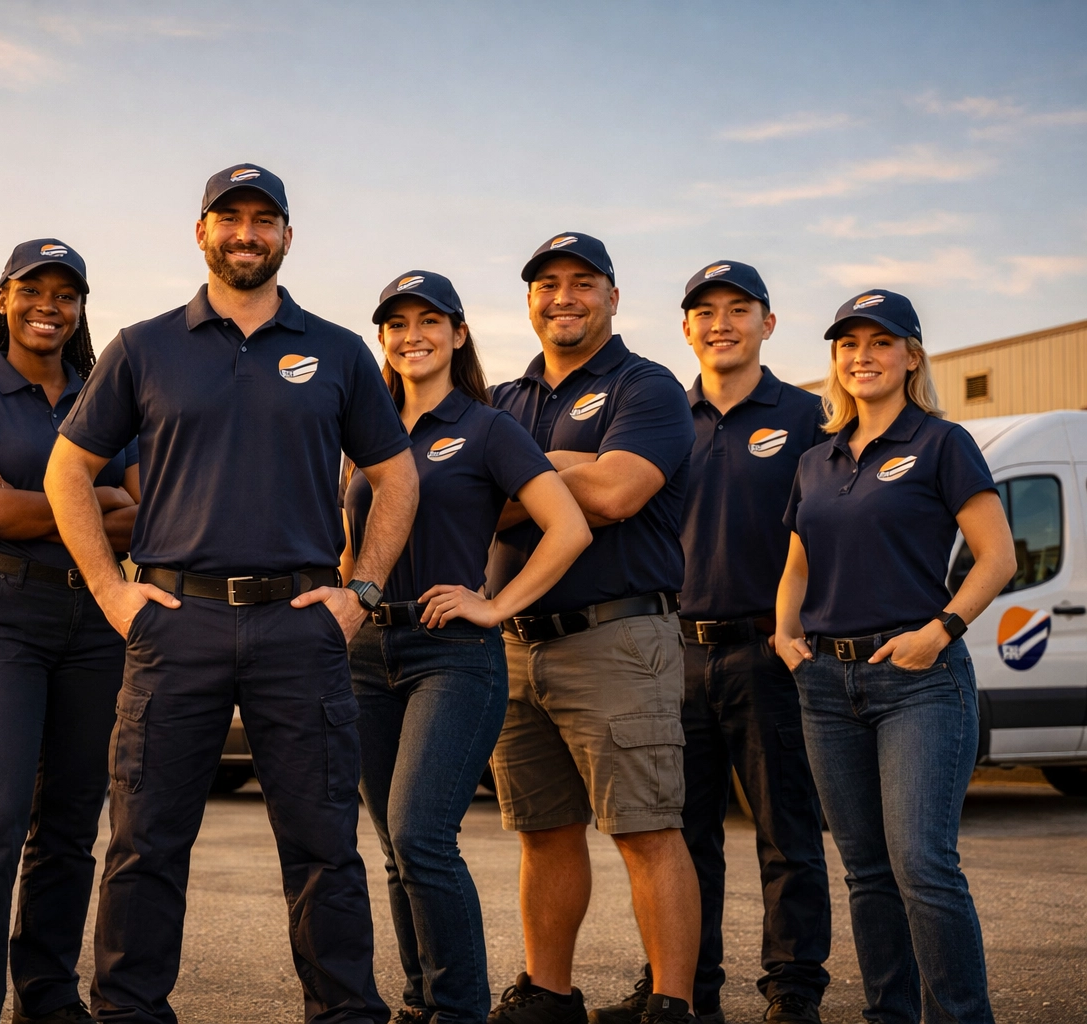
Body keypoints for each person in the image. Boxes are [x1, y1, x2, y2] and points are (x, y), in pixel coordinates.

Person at [45, 163, 419, 1024]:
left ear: (288, 235)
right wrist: (111, 591)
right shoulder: (144, 347)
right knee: (146, 844)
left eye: (263, 220)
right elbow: (68, 469)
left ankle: (345, 1013)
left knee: (325, 846)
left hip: (300, 624)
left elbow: (396, 478)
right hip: (177, 622)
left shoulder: (336, 350)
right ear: (202, 232)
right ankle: (129, 1012)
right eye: (230, 219)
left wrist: (360, 589)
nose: (246, 233)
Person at [343, 272, 590, 1024]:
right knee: (392, 848)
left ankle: (459, 1010)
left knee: (422, 835)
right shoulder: (364, 433)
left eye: (429, 321)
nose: (412, 334)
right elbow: (350, 548)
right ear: (382, 339)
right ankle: (420, 1003)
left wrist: (494, 605)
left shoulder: (487, 427)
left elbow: (569, 527)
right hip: (364, 659)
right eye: (396, 324)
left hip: (450, 655)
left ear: (457, 334)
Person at [593, 261, 831, 1024]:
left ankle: (793, 991)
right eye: (705, 311)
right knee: (677, 834)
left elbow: (837, 532)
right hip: (668, 650)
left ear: (769, 322)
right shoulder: (662, 416)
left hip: (770, 653)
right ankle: (683, 989)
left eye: (739, 308)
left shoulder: (809, 417)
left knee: (785, 832)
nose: (721, 322)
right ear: (686, 327)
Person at [774, 291, 1014, 1024]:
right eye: (849, 345)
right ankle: (891, 1015)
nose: (863, 356)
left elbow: (996, 557)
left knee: (922, 867)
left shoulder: (942, 443)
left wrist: (940, 628)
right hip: (825, 683)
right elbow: (798, 563)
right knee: (868, 873)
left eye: (881, 342)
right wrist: (786, 636)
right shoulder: (818, 459)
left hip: (918, 680)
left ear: (912, 355)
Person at [483, 232, 700, 1024]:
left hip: (616, 641)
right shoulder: (502, 399)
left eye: (583, 282)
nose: (564, 296)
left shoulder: (648, 388)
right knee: (542, 831)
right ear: (530, 300)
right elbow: (470, 499)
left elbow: (615, 495)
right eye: (547, 284)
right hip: (514, 644)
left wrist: (527, 475)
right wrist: (564, 466)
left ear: (613, 296)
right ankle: (550, 993)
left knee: (645, 830)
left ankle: (671, 1005)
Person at [0, 239, 141, 1024]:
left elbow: (148, 515)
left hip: (95, 619)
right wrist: (96, 504)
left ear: (81, 308)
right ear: (4, 299)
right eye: (33, 290)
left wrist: (35, 505)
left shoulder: (107, 398)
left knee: (72, 820)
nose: (50, 305)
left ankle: (48, 999)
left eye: (67, 294)